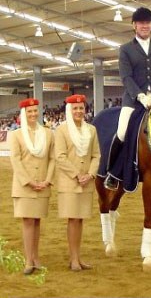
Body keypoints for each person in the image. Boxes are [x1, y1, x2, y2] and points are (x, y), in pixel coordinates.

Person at [104, 7, 151, 190]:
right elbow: (126, 77)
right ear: (134, 25)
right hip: (133, 101)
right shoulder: (125, 50)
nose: (144, 26)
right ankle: (113, 173)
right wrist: (141, 97)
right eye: (141, 23)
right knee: (122, 131)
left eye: (147, 23)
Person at [54, 94, 100, 271]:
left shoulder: (92, 130)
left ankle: (78, 257)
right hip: (70, 183)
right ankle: (73, 259)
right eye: (75, 108)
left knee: (80, 220)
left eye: (81, 108)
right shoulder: (62, 130)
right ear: (69, 110)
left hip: (86, 182)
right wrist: (77, 175)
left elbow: (96, 155)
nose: (79, 111)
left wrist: (90, 174)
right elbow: (60, 156)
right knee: (72, 220)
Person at [10, 98, 55, 275]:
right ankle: (29, 259)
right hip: (24, 186)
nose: (33, 114)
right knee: (28, 221)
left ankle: (36, 257)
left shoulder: (48, 133)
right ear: (24, 114)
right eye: (29, 112)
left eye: (35, 111)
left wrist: (48, 179)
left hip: (43, 184)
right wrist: (28, 181)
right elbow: (16, 160)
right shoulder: (16, 135)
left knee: (37, 221)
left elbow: (52, 159)